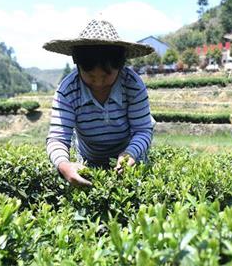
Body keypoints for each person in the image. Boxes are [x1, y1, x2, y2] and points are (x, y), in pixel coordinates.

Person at [43, 19, 155, 186]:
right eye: (91, 76)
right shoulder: (67, 90)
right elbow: (57, 138)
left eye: (106, 76)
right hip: (89, 160)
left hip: (131, 157)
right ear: (78, 65)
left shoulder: (132, 84)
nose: (98, 83)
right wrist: (64, 165)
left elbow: (143, 129)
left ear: (120, 66)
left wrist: (130, 154)